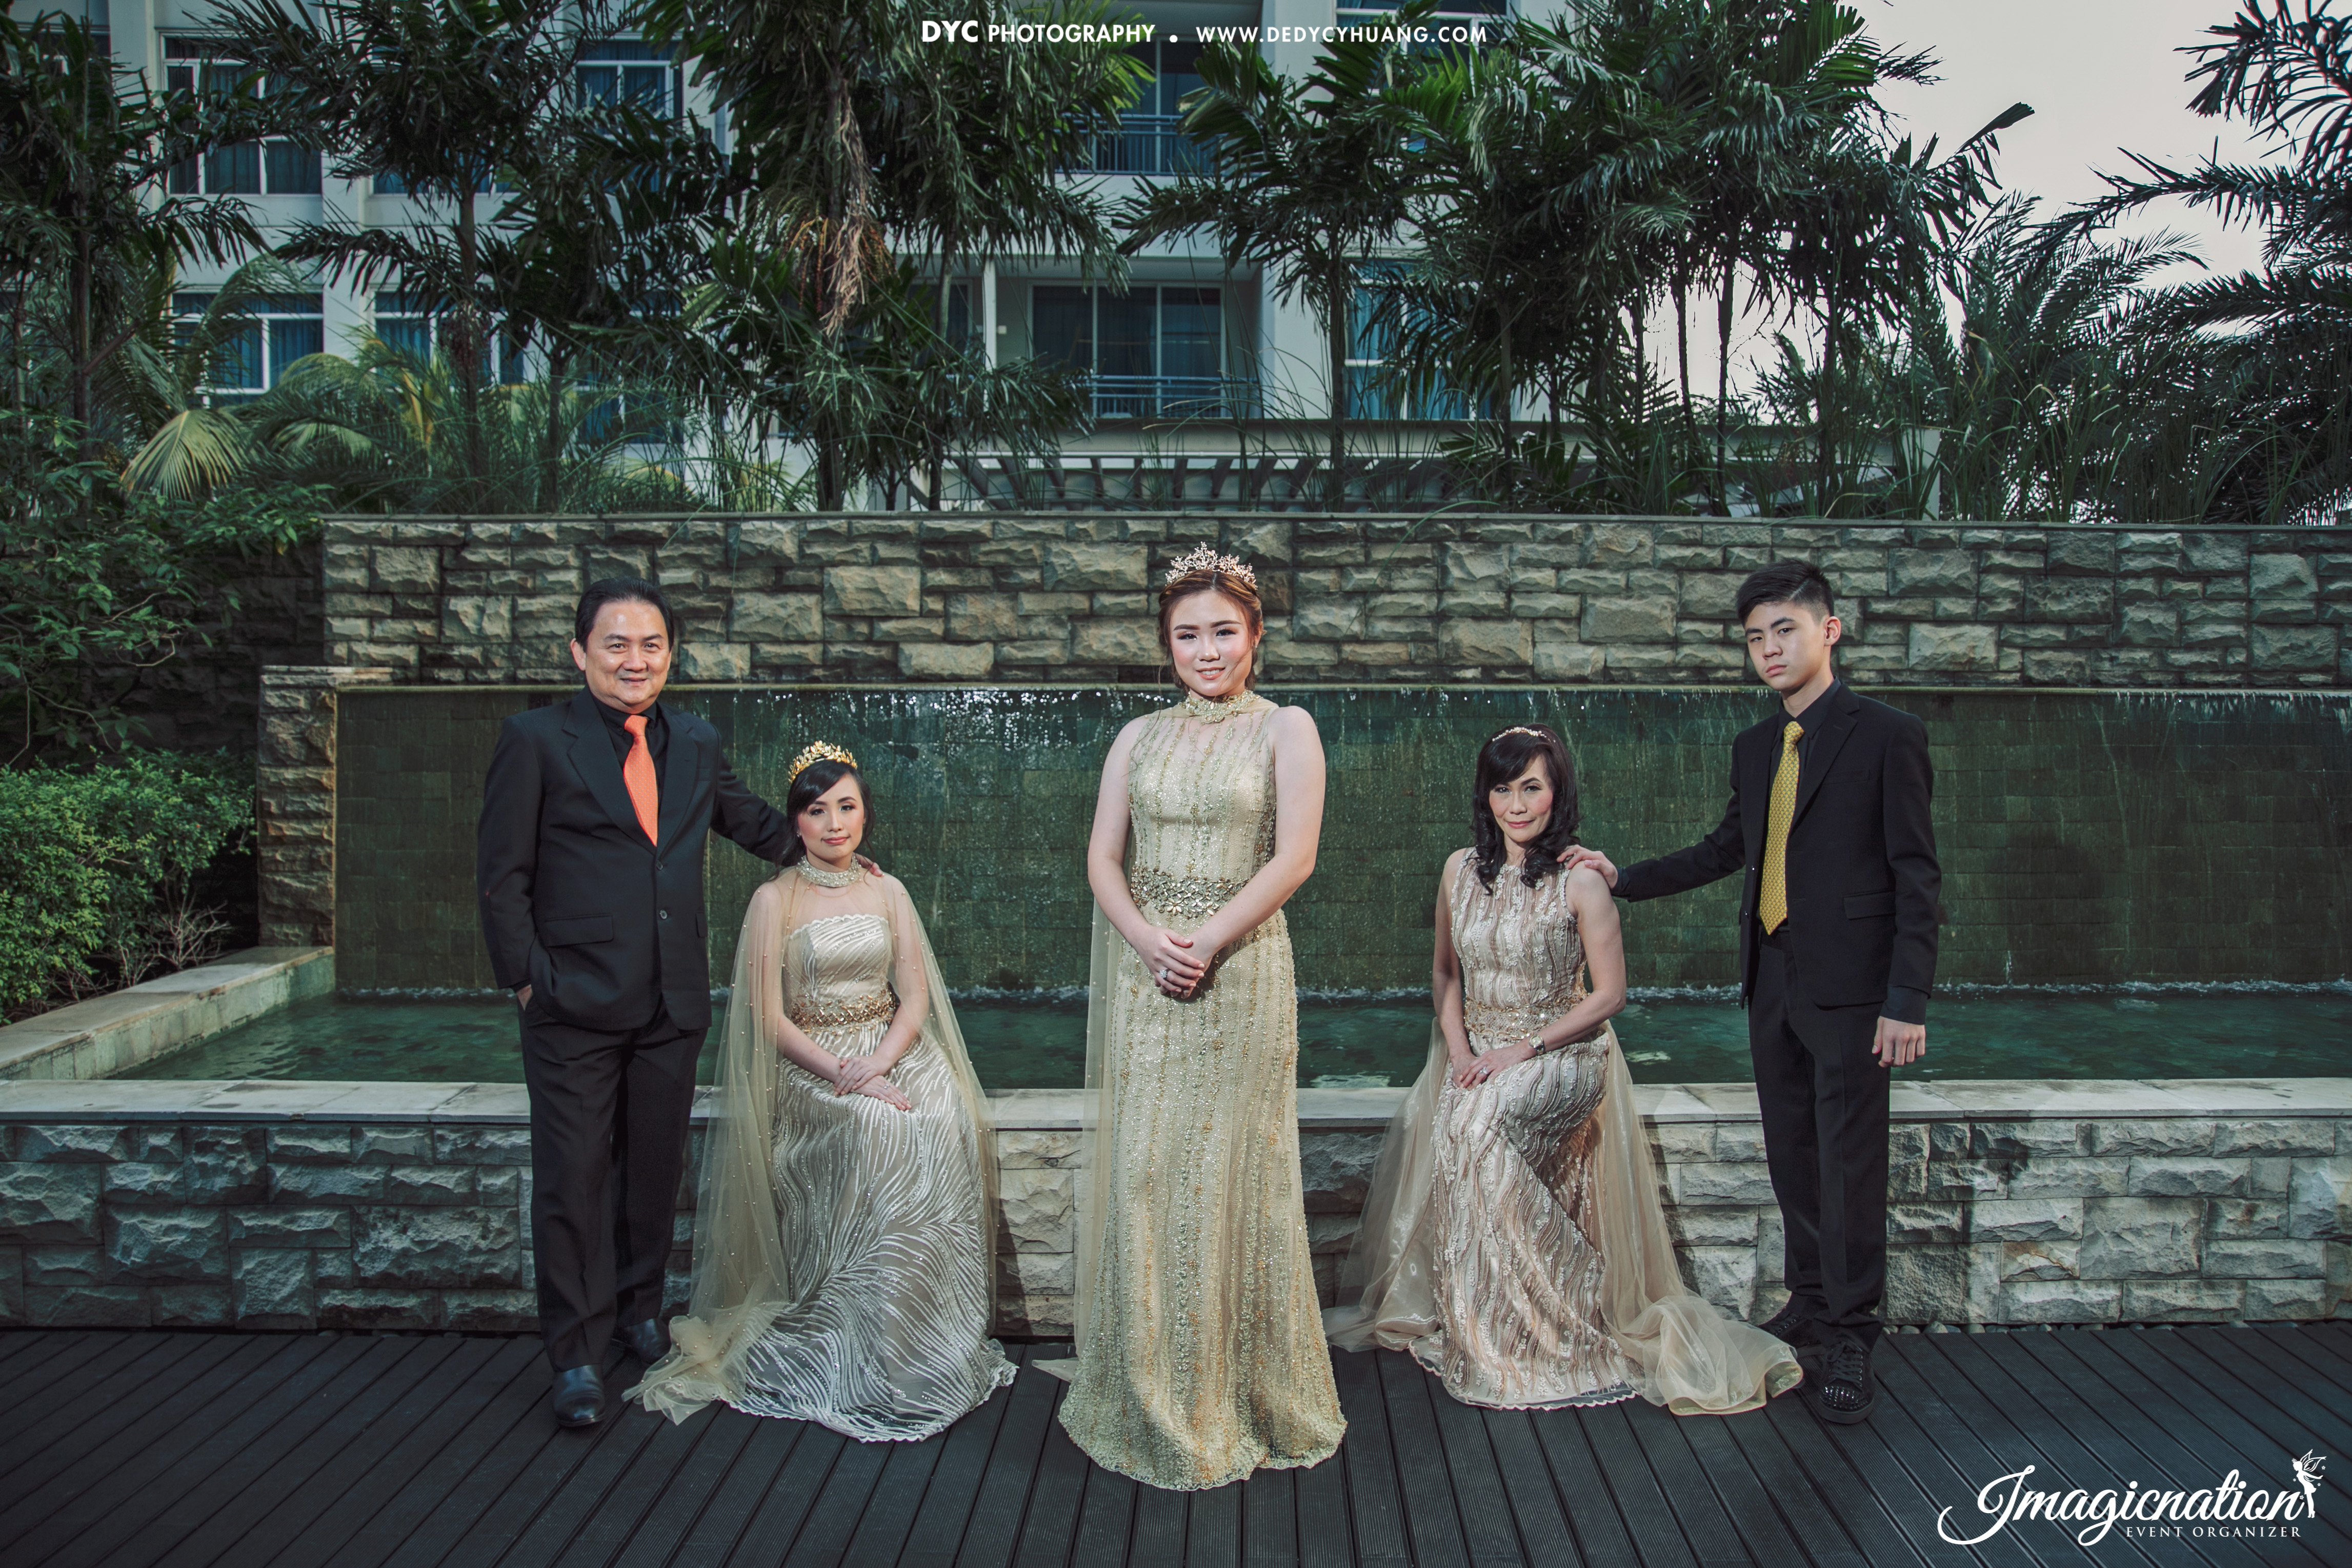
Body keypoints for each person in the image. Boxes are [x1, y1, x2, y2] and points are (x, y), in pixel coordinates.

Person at [1325, 725, 1802, 1416]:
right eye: (1502, 788)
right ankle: (1490, 1321)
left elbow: (1610, 996)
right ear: (1485, 796)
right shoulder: (1459, 870)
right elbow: (1445, 974)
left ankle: (1571, 1310)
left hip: (1563, 1053)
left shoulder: (1581, 880)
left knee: (1477, 1124)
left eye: (1532, 787)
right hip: (1476, 1051)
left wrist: (1525, 1049)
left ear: (1558, 793)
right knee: (1464, 1114)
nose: (1517, 805)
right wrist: (1461, 1052)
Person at [1565, 560, 1940, 1425]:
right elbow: (1726, 847)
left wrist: (1907, 999)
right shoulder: (1756, 745)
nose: (1769, 649)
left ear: (1828, 631)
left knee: (1850, 1165)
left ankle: (1852, 1332)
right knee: (1793, 1153)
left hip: (1855, 993)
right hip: (1772, 980)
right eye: (1755, 638)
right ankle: (1811, 1299)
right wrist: (1624, 876)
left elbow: (1917, 874)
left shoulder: (1889, 736)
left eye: (1785, 631)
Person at [1041, 541, 1346, 1491]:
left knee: (1228, 1170)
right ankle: (1148, 1385)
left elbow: (1295, 857)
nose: (1206, 651)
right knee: (1145, 1169)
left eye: (1223, 631)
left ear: (1255, 636)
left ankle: (1233, 1391)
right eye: (1188, 635)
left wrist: (1206, 939)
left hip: (1240, 971)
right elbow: (1102, 857)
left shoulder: (1288, 728)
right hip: (1149, 976)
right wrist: (1146, 940)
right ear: (1165, 643)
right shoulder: (1136, 736)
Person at [476, 577, 801, 1428]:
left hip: (670, 998)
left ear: (671, 654)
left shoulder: (693, 739)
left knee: (653, 1172)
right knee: (574, 1179)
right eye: (616, 643)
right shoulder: (534, 739)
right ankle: (575, 1355)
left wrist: (829, 845)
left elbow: (751, 820)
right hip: (570, 999)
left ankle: (637, 1311)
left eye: (651, 644)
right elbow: (501, 875)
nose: (635, 659)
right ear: (579, 651)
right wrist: (527, 981)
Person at [628, 745, 1013, 1440]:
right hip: (813, 1061)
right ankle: (860, 1333)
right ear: (796, 821)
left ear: (865, 814)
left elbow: (914, 997)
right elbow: (766, 1017)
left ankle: (927, 1336)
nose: (835, 823)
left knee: (942, 1113)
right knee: (878, 1126)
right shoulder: (773, 899)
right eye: (817, 810)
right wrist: (842, 1070)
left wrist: (882, 1061)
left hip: (890, 1048)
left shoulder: (889, 890)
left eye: (847, 807)